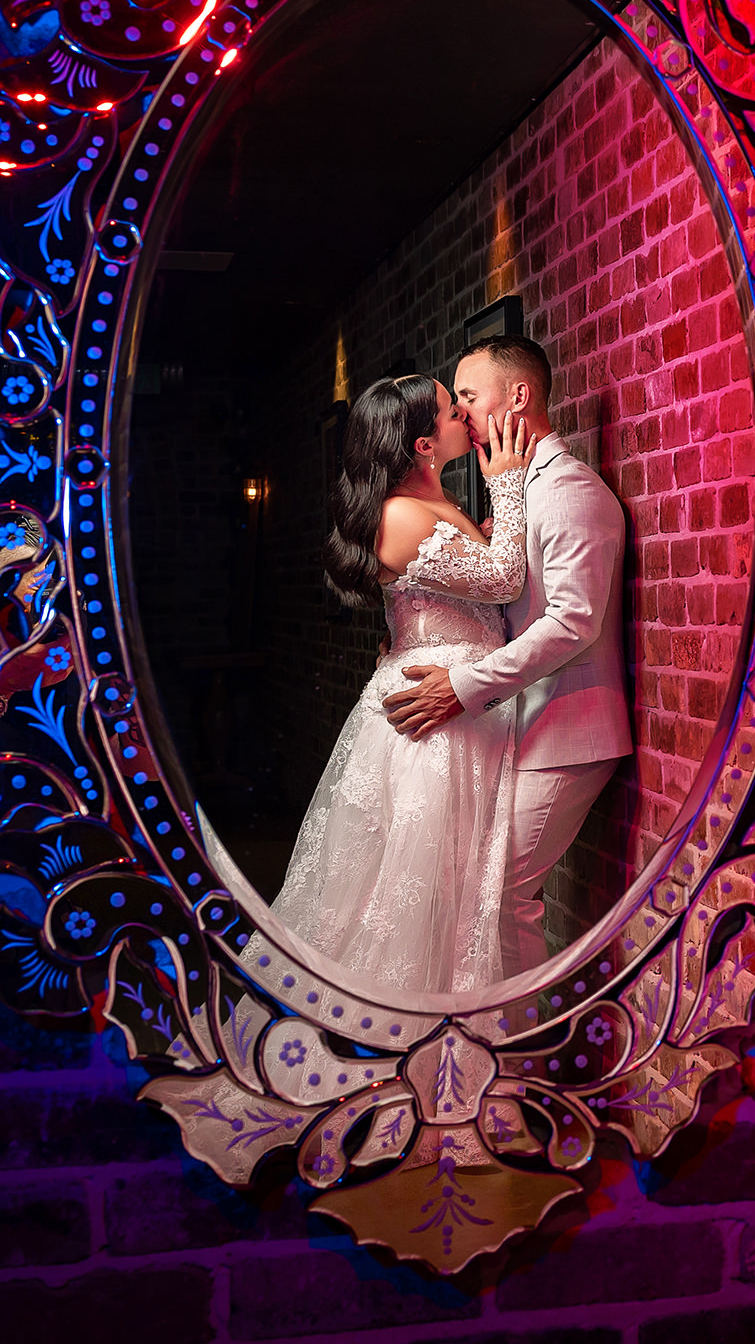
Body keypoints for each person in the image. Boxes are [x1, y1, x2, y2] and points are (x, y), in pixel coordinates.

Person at [266, 375, 534, 993]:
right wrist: (508, 483)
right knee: (412, 888)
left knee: (458, 884)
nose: (462, 412)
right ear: (423, 444)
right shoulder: (400, 514)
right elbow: (503, 580)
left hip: (465, 701)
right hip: (434, 721)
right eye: (450, 409)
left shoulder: (437, 504)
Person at [382, 334, 632, 971]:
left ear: (518, 396)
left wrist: (462, 684)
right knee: (480, 894)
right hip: (526, 723)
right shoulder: (519, 489)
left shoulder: (567, 488)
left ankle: (524, 1035)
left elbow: (572, 622)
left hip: (570, 728)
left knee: (501, 897)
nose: (460, 411)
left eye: (468, 395)